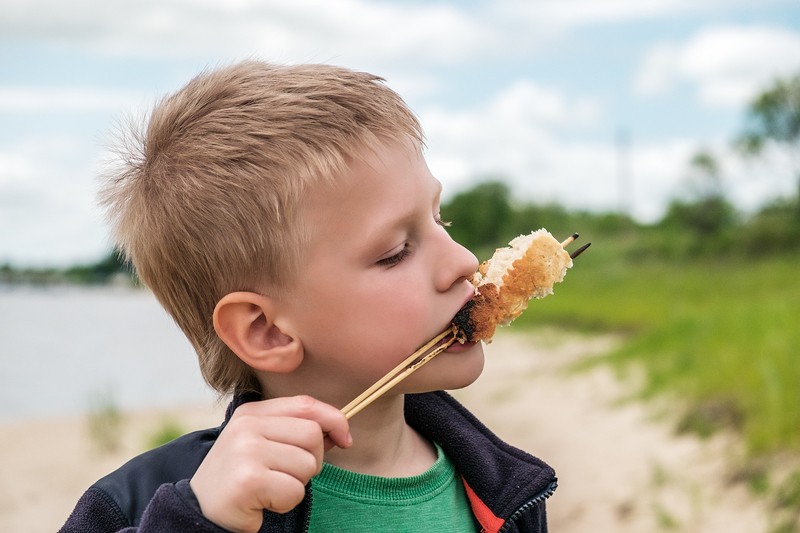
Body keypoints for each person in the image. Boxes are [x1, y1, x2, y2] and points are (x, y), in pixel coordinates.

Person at [59, 60, 556, 533]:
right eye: (396, 251)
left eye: (439, 219)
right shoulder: (142, 504)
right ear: (267, 330)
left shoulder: (499, 487)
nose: (464, 261)